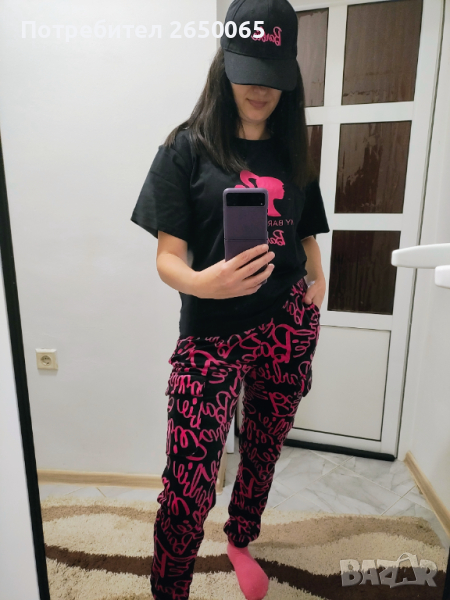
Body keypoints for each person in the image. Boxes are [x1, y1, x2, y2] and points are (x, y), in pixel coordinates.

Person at [131, 1, 330, 598]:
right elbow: (168, 257)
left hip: (287, 323)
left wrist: (319, 278)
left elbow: (305, 231)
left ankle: (241, 538)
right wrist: (204, 282)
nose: (259, 89)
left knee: (263, 448)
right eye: (247, 72)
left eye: (272, 76)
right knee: (188, 483)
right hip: (211, 332)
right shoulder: (184, 148)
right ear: (223, 64)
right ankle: (170, 588)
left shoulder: (293, 148)